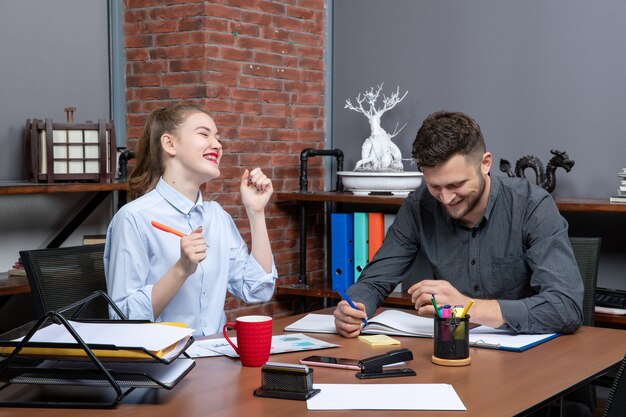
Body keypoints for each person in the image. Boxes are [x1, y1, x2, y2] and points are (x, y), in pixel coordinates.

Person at [334, 110, 584, 338]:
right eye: (435, 186)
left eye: (456, 185)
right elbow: (374, 282)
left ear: (485, 164)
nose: (446, 198)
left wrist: (466, 307)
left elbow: (565, 307)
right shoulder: (418, 206)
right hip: (448, 351)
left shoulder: (532, 205)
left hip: (528, 361)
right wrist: (355, 306)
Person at [104, 104, 277, 336]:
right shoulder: (134, 218)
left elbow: (258, 290)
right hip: (162, 364)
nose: (217, 145)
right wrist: (181, 269)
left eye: (218, 138)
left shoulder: (217, 217)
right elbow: (123, 317)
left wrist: (256, 213)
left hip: (215, 357)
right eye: (204, 134)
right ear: (170, 144)